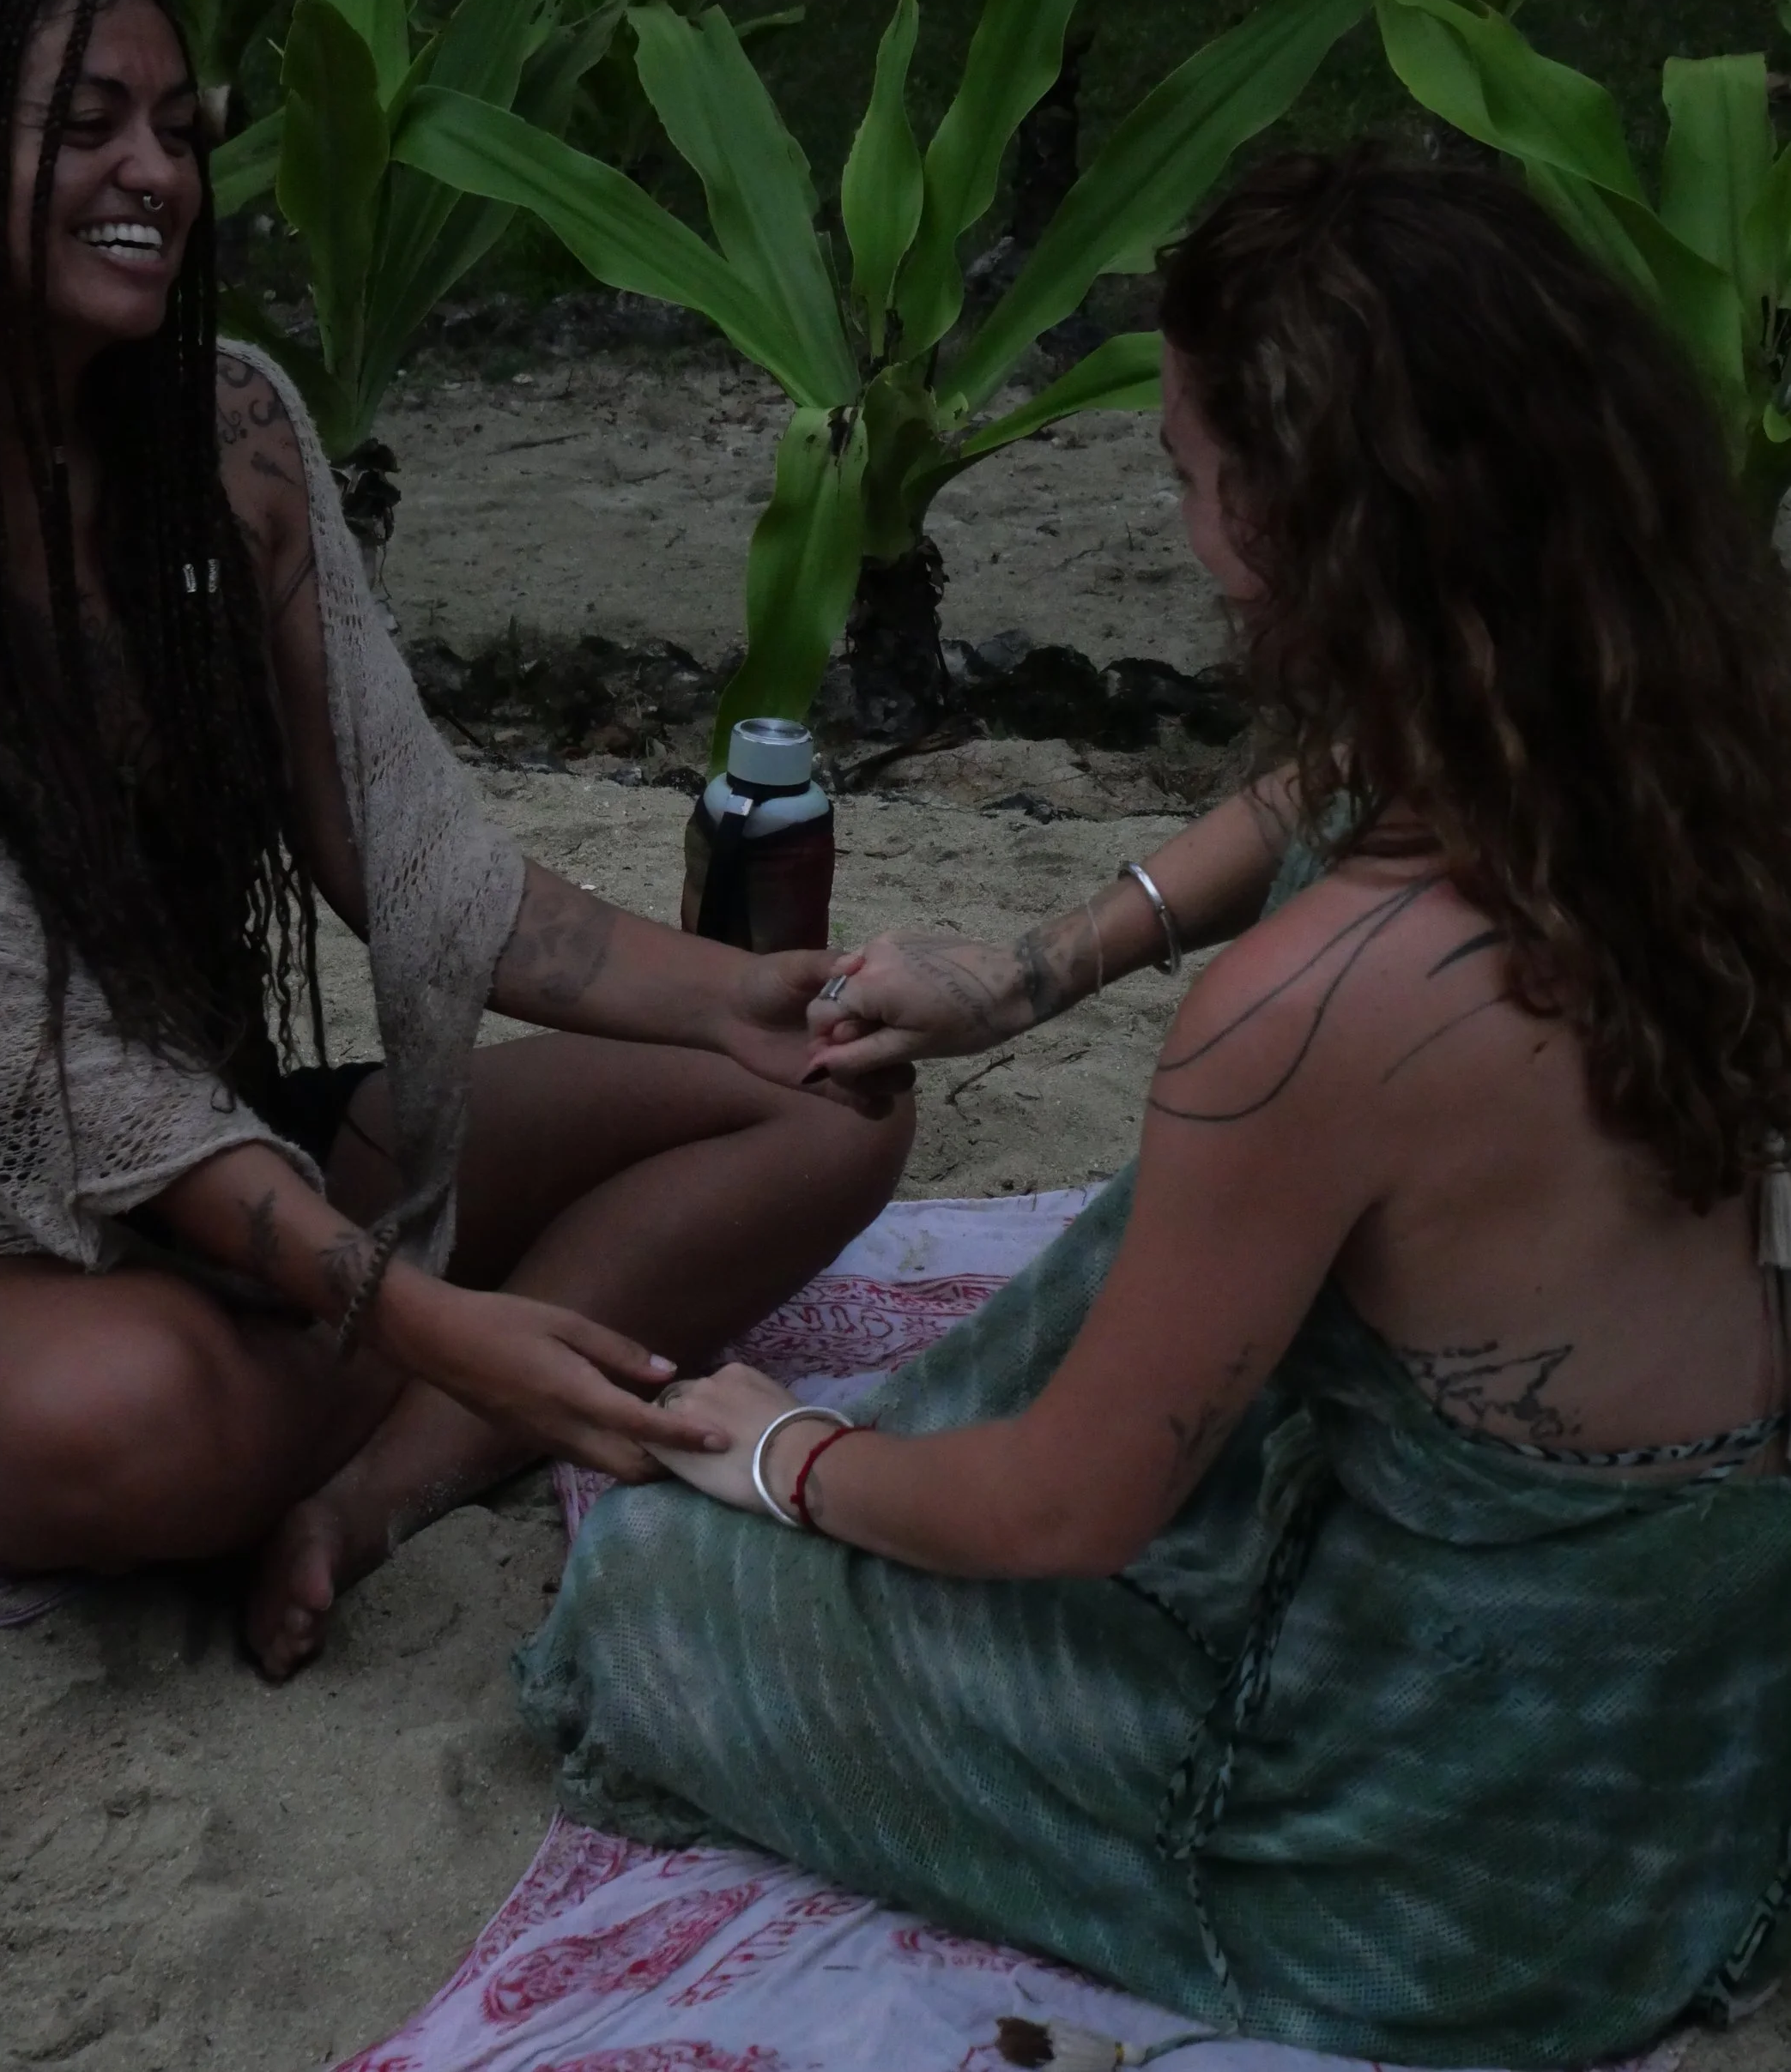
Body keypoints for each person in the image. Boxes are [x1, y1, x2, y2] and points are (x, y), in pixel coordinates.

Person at [516, 146, 1791, 2067]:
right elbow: (1323, 789)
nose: (1182, 521)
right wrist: (1028, 976)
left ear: (1285, 527)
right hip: (1694, 1747)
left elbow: (1062, 1511)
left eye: (1185, 475)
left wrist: (779, 1454)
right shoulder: (1676, 724)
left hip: (1442, 1868)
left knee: (641, 1596)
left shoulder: (1311, 1020)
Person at [0, 0, 907, 1833]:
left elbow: (397, 847)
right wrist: (411, 1301)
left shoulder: (229, 429)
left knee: (828, 1102)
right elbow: (27, 1071)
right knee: (130, 1424)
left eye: (176, 124)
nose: (155, 173)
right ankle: (450, 1365)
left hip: (246, 1163)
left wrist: (729, 992)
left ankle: (376, 1482)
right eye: (88, 125)